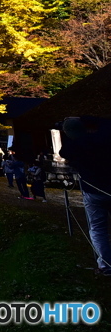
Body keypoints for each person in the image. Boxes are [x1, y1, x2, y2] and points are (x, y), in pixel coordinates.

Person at [60, 116, 111, 276]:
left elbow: (64, 151)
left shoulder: (74, 147)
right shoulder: (103, 137)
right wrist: (87, 119)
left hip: (92, 191)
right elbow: (106, 123)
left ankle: (106, 266)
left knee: (97, 229)